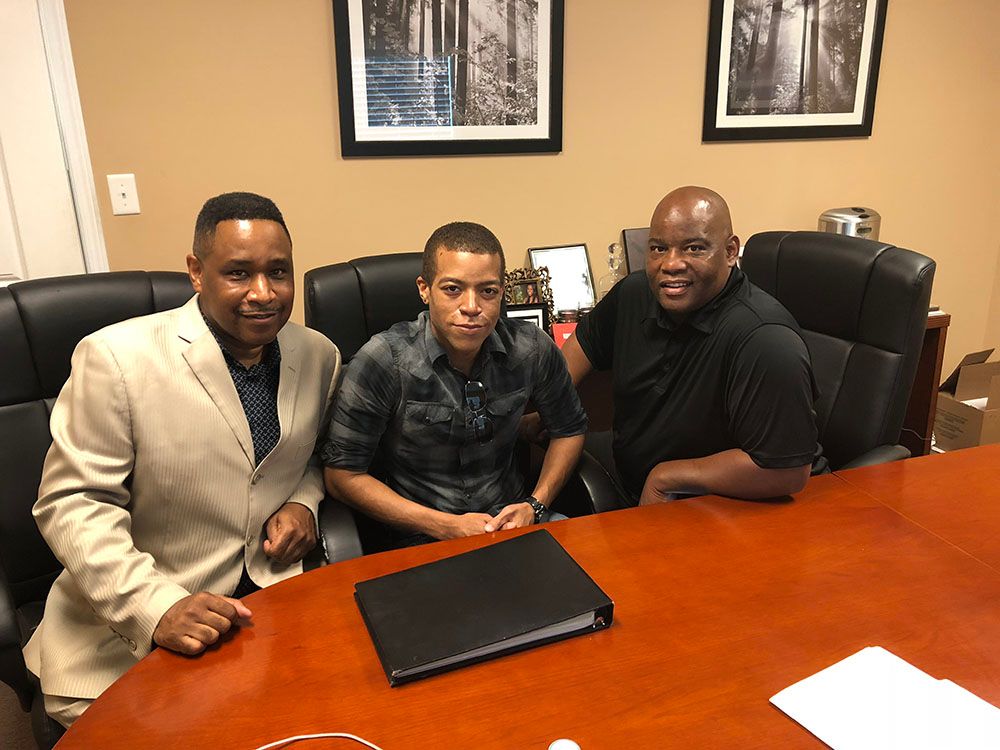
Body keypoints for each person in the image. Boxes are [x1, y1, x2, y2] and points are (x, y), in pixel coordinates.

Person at [23, 192, 341, 728]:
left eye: (278, 272)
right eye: (238, 273)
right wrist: (156, 606)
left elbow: (311, 457)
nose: (263, 293)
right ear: (196, 271)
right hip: (129, 627)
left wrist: (304, 503)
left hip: (268, 604)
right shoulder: (117, 359)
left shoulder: (318, 355)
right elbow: (71, 502)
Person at [323, 221, 587, 547]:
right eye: (453, 289)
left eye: (487, 291)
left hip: (514, 524)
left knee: (594, 572)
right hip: (422, 537)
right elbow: (341, 476)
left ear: (502, 292)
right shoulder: (384, 360)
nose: (472, 307)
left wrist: (535, 504)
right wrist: (445, 526)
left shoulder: (530, 348)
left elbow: (569, 429)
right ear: (424, 288)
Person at [560, 186, 820, 505]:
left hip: (727, 505)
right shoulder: (635, 293)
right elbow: (571, 360)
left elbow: (788, 471)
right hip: (635, 484)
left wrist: (667, 477)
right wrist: (543, 411)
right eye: (658, 248)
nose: (671, 264)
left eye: (694, 249)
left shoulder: (765, 338)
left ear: (730, 251)